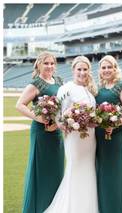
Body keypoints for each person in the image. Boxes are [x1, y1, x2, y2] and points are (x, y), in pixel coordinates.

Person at [44, 56, 99, 213]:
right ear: (73, 70)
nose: (82, 72)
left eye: (85, 69)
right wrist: (69, 123)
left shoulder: (89, 90)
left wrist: (92, 121)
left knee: (88, 169)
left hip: (90, 137)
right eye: (79, 69)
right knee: (75, 169)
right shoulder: (66, 88)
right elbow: (58, 116)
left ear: (89, 71)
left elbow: (91, 114)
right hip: (75, 138)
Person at [16, 52, 64, 213]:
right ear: (38, 65)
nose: (50, 66)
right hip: (42, 133)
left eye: (52, 63)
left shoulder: (59, 81)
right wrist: (39, 118)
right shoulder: (36, 84)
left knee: (56, 170)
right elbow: (20, 105)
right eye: (46, 63)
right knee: (41, 171)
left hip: (56, 133)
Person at [95, 55, 122, 213]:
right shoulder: (98, 87)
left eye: (109, 67)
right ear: (100, 70)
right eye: (103, 67)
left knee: (114, 172)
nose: (106, 70)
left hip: (115, 136)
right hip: (99, 136)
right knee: (101, 171)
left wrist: (114, 124)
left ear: (115, 68)